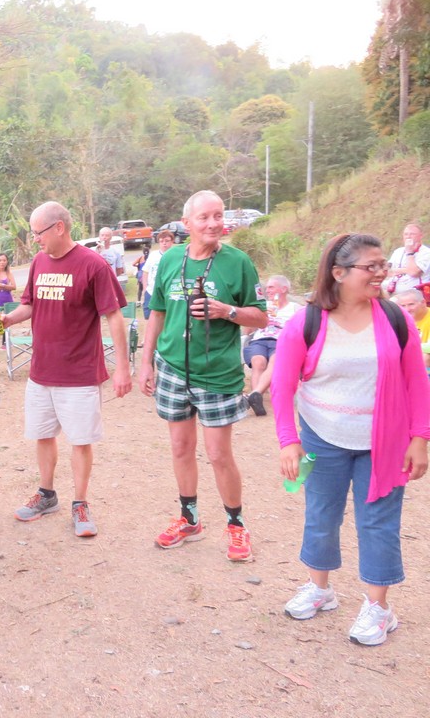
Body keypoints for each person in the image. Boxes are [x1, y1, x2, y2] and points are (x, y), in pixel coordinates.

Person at [271, 233, 429, 646]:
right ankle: (320, 588)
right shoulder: (305, 323)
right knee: (321, 514)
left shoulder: (395, 319)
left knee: (378, 522)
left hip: (386, 441)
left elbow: (417, 381)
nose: (380, 273)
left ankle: (379, 608)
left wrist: (420, 437)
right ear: (339, 274)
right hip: (321, 437)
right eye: (370, 267)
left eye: (383, 265)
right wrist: (289, 441)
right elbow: (282, 387)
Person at [138, 190, 267, 562]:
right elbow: (157, 313)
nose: (213, 224)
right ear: (187, 223)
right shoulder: (170, 259)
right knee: (180, 447)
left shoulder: (238, 262)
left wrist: (227, 311)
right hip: (172, 368)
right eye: (204, 217)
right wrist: (145, 362)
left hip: (217, 373)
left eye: (218, 216)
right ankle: (189, 519)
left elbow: (261, 317)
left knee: (218, 454)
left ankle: (236, 525)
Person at [1, 202, 132, 536]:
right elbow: (30, 304)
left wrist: (122, 368)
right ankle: (46, 494)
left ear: (59, 227)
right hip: (41, 370)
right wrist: (9, 318)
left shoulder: (93, 265)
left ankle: (80, 503)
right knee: (43, 434)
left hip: (79, 372)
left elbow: (114, 316)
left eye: (38, 233)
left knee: (81, 440)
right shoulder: (39, 262)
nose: (35, 239)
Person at [243, 275, 301, 417]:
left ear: (284, 289)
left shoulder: (296, 309)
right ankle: (257, 400)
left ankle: (255, 394)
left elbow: (302, 330)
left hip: (282, 342)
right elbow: (247, 331)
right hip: (259, 339)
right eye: (267, 287)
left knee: (276, 360)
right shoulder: (262, 306)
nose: (267, 290)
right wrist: (260, 317)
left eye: (271, 287)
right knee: (258, 362)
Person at [385, 223, 430, 294]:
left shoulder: (426, 253)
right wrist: (406, 270)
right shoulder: (398, 251)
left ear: (420, 236)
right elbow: (387, 271)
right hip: (391, 286)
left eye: (412, 234)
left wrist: (409, 252)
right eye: (406, 234)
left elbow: (414, 272)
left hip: (414, 291)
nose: (408, 236)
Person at [141, 229, 174, 320]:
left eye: (167, 241)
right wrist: (145, 288)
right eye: (161, 241)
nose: (164, 243)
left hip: (168, 292)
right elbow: (145, 271)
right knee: (149, 317)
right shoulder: (153, 255)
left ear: (172, 242)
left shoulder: (175, 256)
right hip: (151, 291)